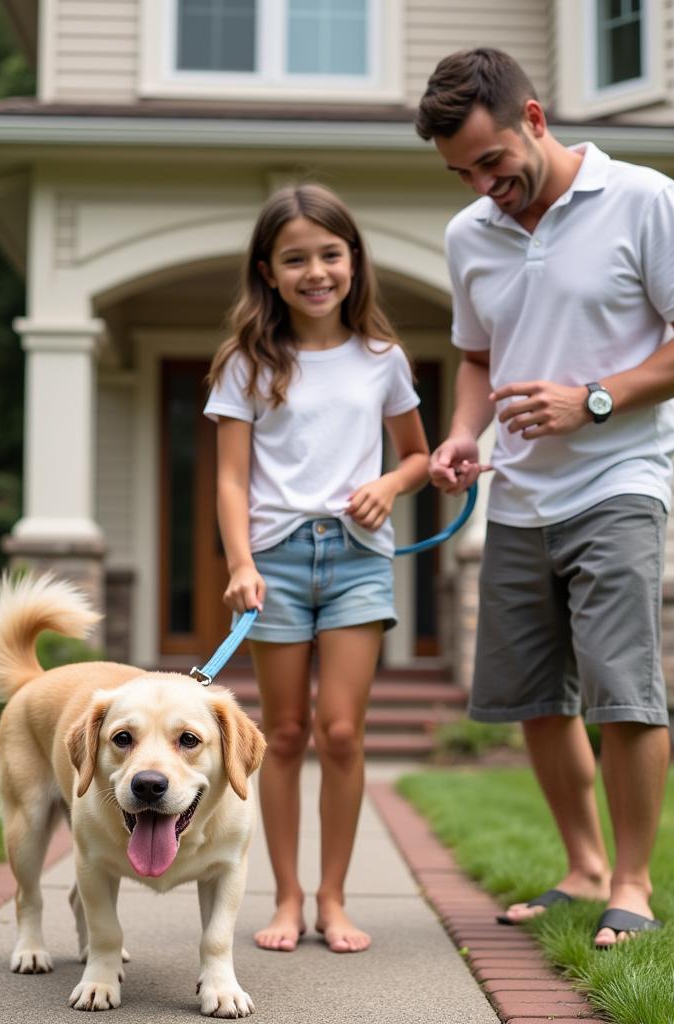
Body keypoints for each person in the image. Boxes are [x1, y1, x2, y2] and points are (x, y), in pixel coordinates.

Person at [414, 49, 674, 949]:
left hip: (618, 481)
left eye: (491, 161)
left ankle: (632, 882)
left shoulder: (644, 199)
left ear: (535, 120)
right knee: (535, 698)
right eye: (461, 173)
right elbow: (478, 356)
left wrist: (591, 400)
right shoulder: (469, 233)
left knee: (621, 690)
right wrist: (465, 434)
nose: (482, 185)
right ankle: (584, 866)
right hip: (516, 495)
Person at [204, 184, 429, 953]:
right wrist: (239, 562)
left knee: (340, 731)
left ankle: (334, 898)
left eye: (330, 254)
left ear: (353, 261)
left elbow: (420, 456)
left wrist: (390, 484)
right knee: (287, 732)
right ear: (267, 271)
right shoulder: (247, 362)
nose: (315, 272)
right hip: (274, 564)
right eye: (295, 258)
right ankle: (287, 898)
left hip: (359, 559)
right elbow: (231, 478)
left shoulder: (382, 360)